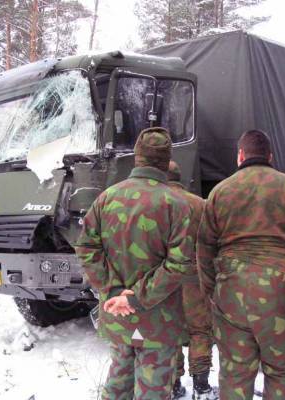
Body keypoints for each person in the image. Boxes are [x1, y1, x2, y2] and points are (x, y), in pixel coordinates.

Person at [197, 130, 285, 399]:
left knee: (235, 373)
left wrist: (213, 292)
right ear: (270, 157)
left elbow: (204, 250)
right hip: (280, 295)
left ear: (240, 155)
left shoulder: (220, 192)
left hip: (231, 294)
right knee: (282, 372)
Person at [75, 127, 195, 400]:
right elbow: (178, 263)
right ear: (166, 161)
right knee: (152, 392)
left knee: (118, 384)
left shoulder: (107, 198)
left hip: (117, 316)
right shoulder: (177, 203)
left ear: (137, 158)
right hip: (158, 321)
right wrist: (135, 298)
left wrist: (115, 293)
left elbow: (86, 248)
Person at [167, 161, 216, 400]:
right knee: (200, 330)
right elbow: (212, 241)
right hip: (195, 276)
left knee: (170, 329)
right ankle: (202, 385)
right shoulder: (200, 204)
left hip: (164, 278)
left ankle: (173, 383)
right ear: (180, 178)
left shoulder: (155, 204)